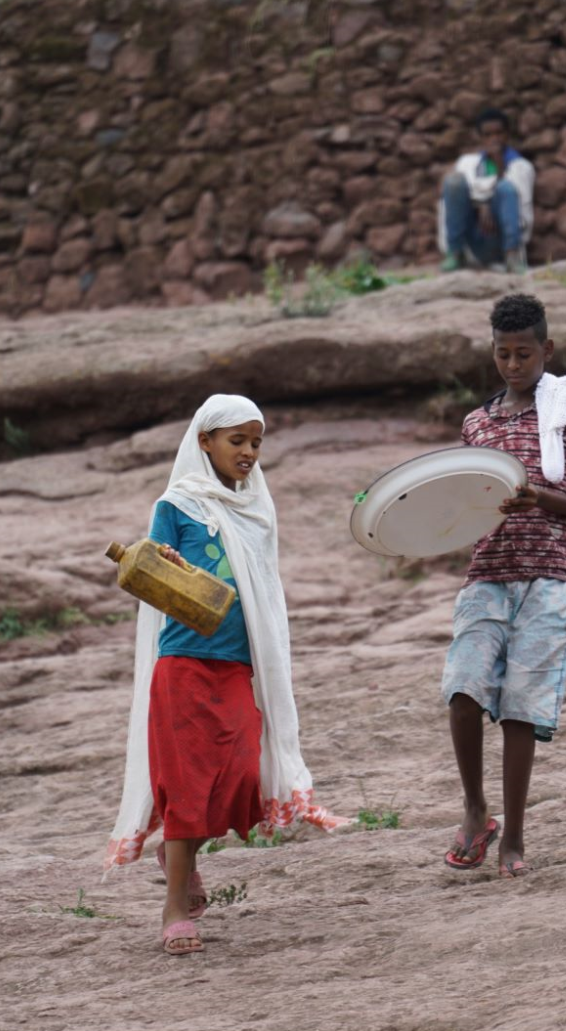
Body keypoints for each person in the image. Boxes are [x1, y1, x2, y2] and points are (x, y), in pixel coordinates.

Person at [105, 394, 345, 956]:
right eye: (236, 440)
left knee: (239, 773)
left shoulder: (257, 510)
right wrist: (170, 568)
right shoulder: (178, 503)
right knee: (187, 787)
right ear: (204, 441)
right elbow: (155, 572)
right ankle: (174, 909)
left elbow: (265, 589)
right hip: (185, 664)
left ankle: (178, 852)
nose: (248, 452)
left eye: (256, 442)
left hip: (237, 666)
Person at [441, 293, 566, 879]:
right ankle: (476, 809)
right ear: (492, 352)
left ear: (547, 350)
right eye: (504, 354)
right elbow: (464, 502)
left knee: (522, 707)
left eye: (525, 353)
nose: (514, 365)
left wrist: (539, 497)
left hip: (551, 577)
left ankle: (514, 840)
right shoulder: (477, 423)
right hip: (488, 574)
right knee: (463, 690)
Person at [437, 107, 535, 275]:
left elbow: (517, 200)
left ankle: (512, 258)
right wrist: (482, 204)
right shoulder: (468, 163)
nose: (494, 139)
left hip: (500, 239)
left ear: (507, 134)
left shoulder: (521, 166)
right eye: (488, 135)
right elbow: (456, 195)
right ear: (480, 138)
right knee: (453, 182)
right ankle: (455, 253)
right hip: (474, 238)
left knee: (505, 188)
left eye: (499, 133)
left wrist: (499, 167)